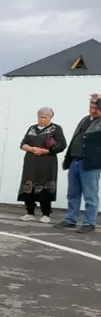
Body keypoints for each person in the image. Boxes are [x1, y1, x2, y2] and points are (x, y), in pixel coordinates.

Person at [55, 96, 101, 233]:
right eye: (91, 107)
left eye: (96, 108)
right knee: (73, 193)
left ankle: (89, 222)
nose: (93, 110)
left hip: (90, 164)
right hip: (75, 161)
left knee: (90, 195)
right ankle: (71, 219)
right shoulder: (85, 120)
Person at [17, 107, 67, 223]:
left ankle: (46, 213)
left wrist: (48, 151)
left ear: (50, 118)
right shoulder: (32, 128)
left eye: (46, 117)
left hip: (47, 162)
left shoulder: (55, 129)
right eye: (41, 117)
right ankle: (30, 212)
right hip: (31, 161)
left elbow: (62, 144)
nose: (43, 119)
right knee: (28, 184)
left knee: (45, 184)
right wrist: (31, 148)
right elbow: (23, 143)